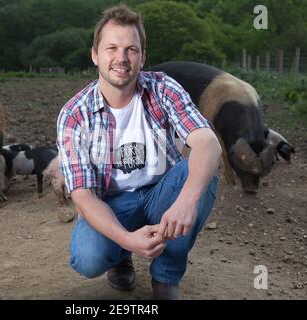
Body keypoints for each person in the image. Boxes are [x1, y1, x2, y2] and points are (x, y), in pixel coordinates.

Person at [56, 4, 221, 300]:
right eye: (112, 48)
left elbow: (208, 143)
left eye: (131, 49)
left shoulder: (163, 89)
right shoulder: (74, 115)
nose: (121, 58)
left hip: (163, 194)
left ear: (143, 57)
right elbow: (83, 195)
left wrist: (185, 201)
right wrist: (128, 241)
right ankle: (120, 257)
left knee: (198, 172)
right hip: (113, 203)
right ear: (95, 54)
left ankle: (166, 276)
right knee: (88, 257)